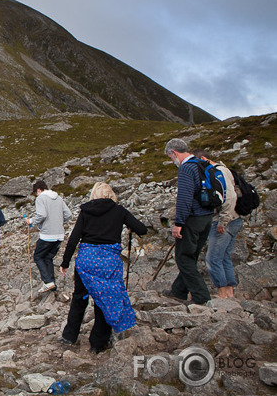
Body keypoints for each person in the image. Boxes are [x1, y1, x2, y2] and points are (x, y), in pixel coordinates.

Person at [59, 182, 147, 353]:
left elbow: (74, 238)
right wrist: (127, 225)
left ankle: (69, 336)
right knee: (105, 299)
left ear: (94, 194)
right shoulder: (119, 211)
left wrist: (65, 262)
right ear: (111, 195)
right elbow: (142, 230)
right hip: (108, 262)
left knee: (79, 298)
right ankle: (98, 343)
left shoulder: (86, 211)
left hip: (87, 260)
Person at [163, 138, 214, 305]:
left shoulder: (186, 168)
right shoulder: (202, 164)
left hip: (193, 219)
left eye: (171, 158)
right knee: (191, 257)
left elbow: (184, 198)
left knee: (184, 258)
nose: (172, 161)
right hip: (207, 217)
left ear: (174, 153)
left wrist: (179, 223)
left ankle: (201, 297)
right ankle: (179, 291)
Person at [193, 149, 242, 298]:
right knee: (224, 257)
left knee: (212, 258)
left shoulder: (218, 172)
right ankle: (229, 292)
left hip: (226, 220)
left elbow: (229, 197)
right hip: (234, 219)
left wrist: (223, 221)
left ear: (203, 158)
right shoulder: (225, 170)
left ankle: (221, 292)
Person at [27, 180, 72, 293]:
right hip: (59, 234)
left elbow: (42, 214)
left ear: (38, 190)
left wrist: (31, 220)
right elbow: (69, 214)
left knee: (38, 256)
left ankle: (47, 282)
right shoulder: (58, 198)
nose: (36, 195)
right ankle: (52, 285)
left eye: (36, 193)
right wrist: (59, 222)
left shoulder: (41, 198)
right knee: (48, 257)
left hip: (47, 234)